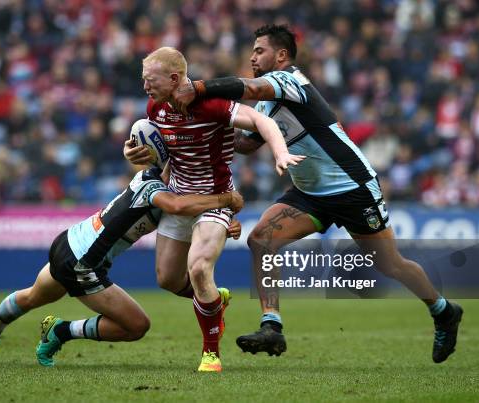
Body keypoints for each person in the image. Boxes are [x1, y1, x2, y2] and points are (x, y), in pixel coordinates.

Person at [172, 24, 463, 364]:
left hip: (351, 188)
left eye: (259, 50)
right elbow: (250, 144)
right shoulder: (269, 103)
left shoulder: (289, 81)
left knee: (390, 263)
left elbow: (247, 87)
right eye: (251, 51)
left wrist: (198, 89)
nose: (252, 56)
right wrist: (201, 131)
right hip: (309, 193)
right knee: (261, 239)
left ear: (281, 55)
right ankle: (272, 326)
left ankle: (443, 311)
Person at [124, 47, 304, 372]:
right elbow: (166, 154)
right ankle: (214, 302)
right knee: (167, 279)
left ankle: (211, 353)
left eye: (150, 80)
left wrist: (280, 154)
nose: (145, 87)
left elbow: (260, 120)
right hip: (179, 197)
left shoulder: (211, 105)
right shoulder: (155, 108)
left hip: (215, 199)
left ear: (175, 78)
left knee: (198, 269)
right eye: (143, 80)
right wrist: (139, 156)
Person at [0, 166, 243, 367]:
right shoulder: (155, 188)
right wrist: (226, 200)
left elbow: (191, 211)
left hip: (70, 240)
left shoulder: (147, 177)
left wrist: (222, 220)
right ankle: (61, 331)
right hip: (82, 263)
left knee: (33, 296)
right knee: (137, 326)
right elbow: (178, 206)